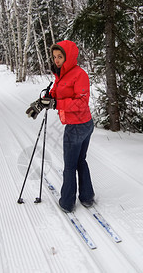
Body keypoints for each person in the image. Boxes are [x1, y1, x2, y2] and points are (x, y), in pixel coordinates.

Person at [27, 40, 95, 213]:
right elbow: (54, 93)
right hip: (84, 124)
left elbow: (81, 102)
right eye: (54, 56)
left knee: (70, 165)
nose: (56, 60)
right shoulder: (61, 75)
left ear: (69, 57)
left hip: (77, 126)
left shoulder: (79, 75)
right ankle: (87, 197)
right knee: (80, 160)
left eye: (60, 56)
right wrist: (41, 103)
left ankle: (66, 202)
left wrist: (56, 104)